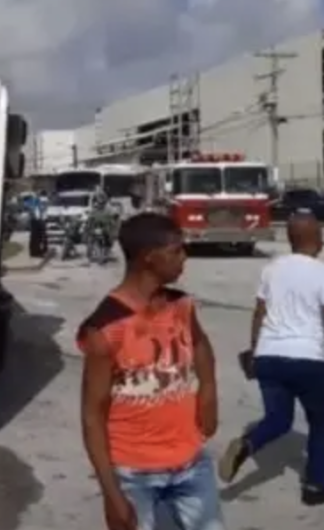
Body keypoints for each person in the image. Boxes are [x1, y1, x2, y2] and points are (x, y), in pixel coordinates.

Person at [78, 212, 221, 530]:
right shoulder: (105, 329)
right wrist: (112, 495)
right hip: (134, 474)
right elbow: (92, 415)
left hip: (192, 464)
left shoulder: (181, 306)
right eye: (176, 251)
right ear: (149, 258)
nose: (184, 258)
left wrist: (208, 393)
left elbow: (200, 345)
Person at [217, 212, 324, 506]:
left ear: (290, 239)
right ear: (318, 240)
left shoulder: (272, 269)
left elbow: (259, 313)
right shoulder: (321, 273)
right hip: (309, 358)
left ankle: (247, 445)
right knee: (320, 422)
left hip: (269, 355)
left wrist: (254, 351)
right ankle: (315, 486)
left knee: (278, 418)